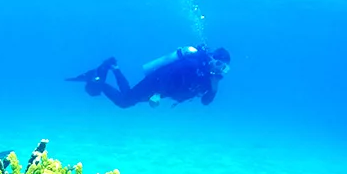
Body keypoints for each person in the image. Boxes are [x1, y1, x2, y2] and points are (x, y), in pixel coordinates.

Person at [67, 45, 231, 108]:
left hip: (165, 91)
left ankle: (113, 67)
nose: (219, 69)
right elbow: (169, 73)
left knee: (128, 98)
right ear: (212, 59)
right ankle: (97, 80)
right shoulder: (193, 64)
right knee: (125, 102)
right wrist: (157, 93)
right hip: (157, 82)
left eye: (223, 68)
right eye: (218, 64)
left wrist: (214, 87)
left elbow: (205, 102)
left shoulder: (210, 79)